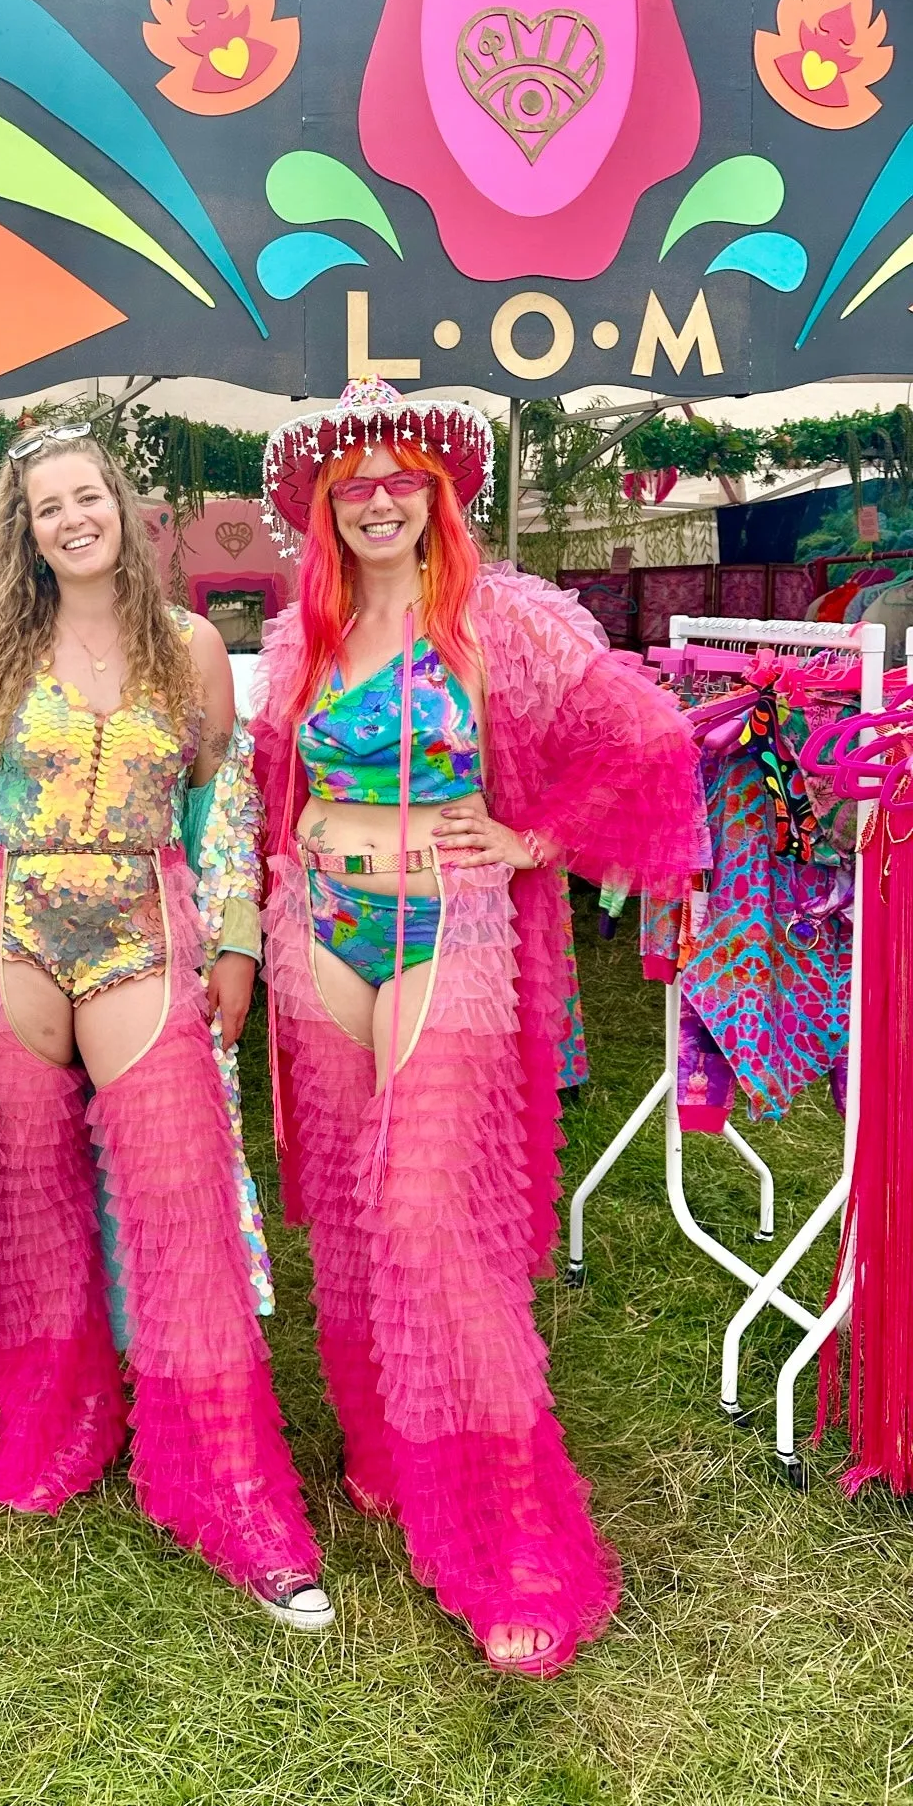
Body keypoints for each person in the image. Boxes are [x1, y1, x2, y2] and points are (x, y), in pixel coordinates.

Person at [252, 379, 703, 1674]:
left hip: (449, 926)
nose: (381, 498)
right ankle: (391, 1443)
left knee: (429, 1219)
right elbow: (277, 783)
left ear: (438, 495)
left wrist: (535, 837)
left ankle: (511, 1539)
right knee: (348, 1211)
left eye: (403, 478)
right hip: (315, 935)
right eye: (357, 484)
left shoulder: (497, 615)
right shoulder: (305, 634)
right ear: (326, 507)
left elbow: (647, 732)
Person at [0, 420, 331, 1629]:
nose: (72, 518)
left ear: (122, 507)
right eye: (47, 508)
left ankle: (231, 1486)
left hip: (147, 928)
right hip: (18, 927)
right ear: (26, 534)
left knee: (180, 1192)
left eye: (86, 496)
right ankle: (64, 1424)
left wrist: (242, 935)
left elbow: (226, 797)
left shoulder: (191, 645)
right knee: (37, 1199)